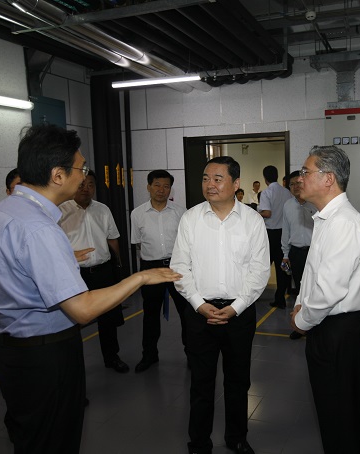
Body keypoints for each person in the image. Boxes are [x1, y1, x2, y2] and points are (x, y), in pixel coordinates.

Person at [0, 124, 180, 454]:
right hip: (45, 355)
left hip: (12, 350)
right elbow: (82, 309)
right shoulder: (40, 228)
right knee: (55, 440)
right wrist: (140, 278)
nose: (84, 177)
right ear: (58, 175)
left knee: (30, 438)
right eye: (81, 169)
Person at [170, 156, 270, 454]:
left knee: (238, 381)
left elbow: (259, 271)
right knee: (201, 382)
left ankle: (237, 437)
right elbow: (180, 267)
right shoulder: (191, 218)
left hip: (239, 314)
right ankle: (199, 441)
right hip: (199, 314)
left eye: (217, 179)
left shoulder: (252, 221)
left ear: (235, 183)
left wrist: (236, 307)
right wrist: (199, 304)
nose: (209, 185)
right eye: (205, 178)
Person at [290, 146, 360, 454]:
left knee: (341, 417)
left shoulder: (342, 222)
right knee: (333, 414)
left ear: (328, 179)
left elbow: (329, 290)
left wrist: (301, 320)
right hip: (328, 326)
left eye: (305, 172)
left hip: (338, 331)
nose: (300, 179)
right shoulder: (328, 219)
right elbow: (314, 276)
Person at [59, 170, 129, 374]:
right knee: (72, 322)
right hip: (75, 274)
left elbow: (112, 239)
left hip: (103, 271)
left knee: (108, 318)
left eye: (90, 185)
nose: (86, 189)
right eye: (81, 184)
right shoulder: (61, 211)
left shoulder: (103, 209)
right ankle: (72, 366)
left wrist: (118, 266)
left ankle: (112, 357)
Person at [130, 169, 188, 372]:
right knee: (150, 314)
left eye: (166, 186)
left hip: (177, 266)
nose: (161, 190)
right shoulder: (137, 214)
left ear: (171, 189)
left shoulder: (181, 212)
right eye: (157, 185)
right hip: (150, 268)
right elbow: (138, 243)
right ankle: (149, 355)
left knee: (186, 313)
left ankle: (192, 354)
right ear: (148, 187)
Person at [281, 170, 317, 340]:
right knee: (300, 291)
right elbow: (286, 231)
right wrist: (285, 254)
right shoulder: (287, 205)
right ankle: (301, 325)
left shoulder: (315, 203)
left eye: (298, 183)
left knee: (314, 290)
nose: (295, 186)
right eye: (292, 184)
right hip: (295, 253)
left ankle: (315, 325)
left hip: (314, 252)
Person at [258, 165, 292, 309]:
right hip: (284, 233)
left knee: (263, 266)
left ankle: (254, 295)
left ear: (265, 178)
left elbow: (267, 213)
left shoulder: (267, 193)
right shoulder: (287, 192)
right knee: (282, 267)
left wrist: (255, 213)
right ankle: (280, 299)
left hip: (270, 234)